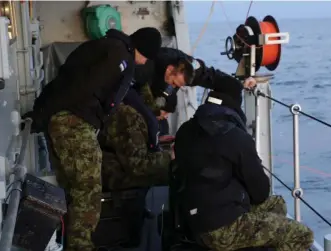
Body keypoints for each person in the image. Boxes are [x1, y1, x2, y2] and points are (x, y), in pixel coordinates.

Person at [30, 27, 163, 251]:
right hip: (74, 121)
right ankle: (80, 246)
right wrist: (45, 114)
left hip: (64, 118)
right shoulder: (119, 56)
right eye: (146, 58)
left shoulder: (106, 46)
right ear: (143, 50)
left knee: (72, 187)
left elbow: (67, 78)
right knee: (88, 188)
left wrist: (43, 112)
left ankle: (67, 242)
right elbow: (84, 86)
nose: (143, 64)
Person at [173, 78, 314, 251]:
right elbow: (260, 192)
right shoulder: (236, 137)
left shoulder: (185, 130)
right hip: (219, 230)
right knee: (301, 234)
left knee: (276, 204)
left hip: (190, 221)